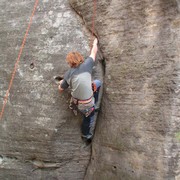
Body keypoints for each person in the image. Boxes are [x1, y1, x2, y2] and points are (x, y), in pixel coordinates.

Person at [58, 38, 101, 143]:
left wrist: (62, 82)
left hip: (79, 103)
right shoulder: (87, 64)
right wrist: (95, 43)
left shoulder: (68, 74)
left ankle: (86, 134)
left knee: (88, 119)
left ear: (69, 62)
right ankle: (86, 134)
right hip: (87, 103)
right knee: (98, 83)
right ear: (80, 58)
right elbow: (94, 52)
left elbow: (61, 89)